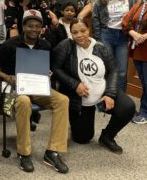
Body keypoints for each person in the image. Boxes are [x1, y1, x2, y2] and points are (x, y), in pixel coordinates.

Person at [0, 10, 69, 174]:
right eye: (30, 26)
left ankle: (52, 151)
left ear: (42, 28)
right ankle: (23, 153)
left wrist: (48, 73)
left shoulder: (46, 45)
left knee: (62, 100)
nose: (34, 29)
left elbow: (49, 68)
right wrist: (8, 77)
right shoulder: (9, 44)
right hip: (14, 89)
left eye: (37, 26)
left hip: (37, 86)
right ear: (23, 27)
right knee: (24, 101)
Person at [53, 19, 135, 153]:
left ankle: (107, 136)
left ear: (89, 30)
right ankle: (78, 120)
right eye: (75, 32)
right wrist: (74, 84)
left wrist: (109, 94)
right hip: (80, 101)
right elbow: (56, 68)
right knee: (82, 138)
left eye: (83, 31)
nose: (79, 35)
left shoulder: (101, 47)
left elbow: (113, 70)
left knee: (127, 108)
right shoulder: (65, 46)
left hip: (102, 93)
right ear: (71, 34)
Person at [92, 0, 134, 91]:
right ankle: (106, 96)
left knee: (121, 70)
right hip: (107, 35)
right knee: (106, 68)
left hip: (123, 37)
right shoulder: (102, 0)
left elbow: (133, 18)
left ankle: (120, 99)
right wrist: (98, 39)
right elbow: (95, 18)